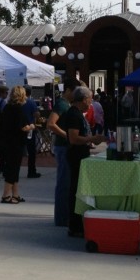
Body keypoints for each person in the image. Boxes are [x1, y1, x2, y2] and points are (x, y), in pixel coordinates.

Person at [63, 85, 104, 237]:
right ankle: (74, 225)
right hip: (76, 156)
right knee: (75, 189)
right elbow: (73, 138)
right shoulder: (74, 114)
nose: (91, 102)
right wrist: (91, 139)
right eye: (90, 99)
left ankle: (77, 223)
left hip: (81, 154)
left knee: (78, 189)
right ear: (84, 99)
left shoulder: (79, 113)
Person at [46, 82, 76, 227]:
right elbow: (51, 123)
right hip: (63, 147)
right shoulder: (62, 104)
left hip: (64, 146)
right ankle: (62, 217)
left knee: (66, 183)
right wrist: (67, 135)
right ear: (69, 91)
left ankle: (64, 216)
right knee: (64, 183)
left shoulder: (65, 104)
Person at [0, 85, 34, 203]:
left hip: (7, 141)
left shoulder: (7, 107)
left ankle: (15, 194)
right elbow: (23, 127)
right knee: (13, 168)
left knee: (13, 167)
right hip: (16, 142)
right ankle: (5, 194)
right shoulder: (18, 109)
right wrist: (32, 126)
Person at [22, 87, 41, 178]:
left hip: (19, 128)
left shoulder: (18, 102)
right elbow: (36, 114)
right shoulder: (31, 102)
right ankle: (31, 170)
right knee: (31, 151)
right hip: (29, 128)